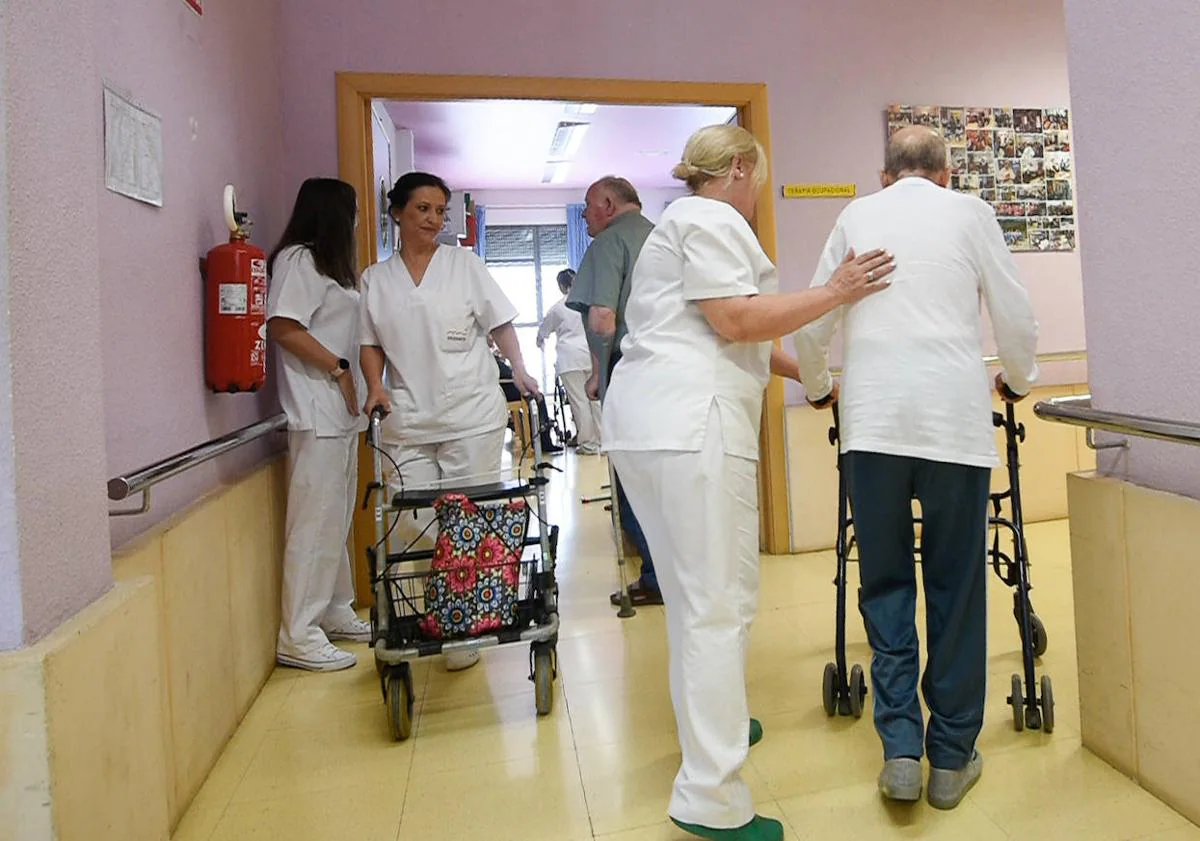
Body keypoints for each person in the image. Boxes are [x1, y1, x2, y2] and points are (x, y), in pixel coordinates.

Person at [603, 124, 894, 841]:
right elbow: (734, 319)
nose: (760, 189)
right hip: (690, 427)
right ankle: (712, 796)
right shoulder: (710, 218)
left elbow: (732, 333)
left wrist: (816, 376)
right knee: (715, 604)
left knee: (698, 597)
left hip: (654, 425)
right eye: (759, 175)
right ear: (739, 167)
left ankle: (719, 723)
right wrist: (835, 290)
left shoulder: (680, 226)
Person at [794, 126, 1039, 810]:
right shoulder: (971, 213)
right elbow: (1015, 314)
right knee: (957, 584)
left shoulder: (856, 215)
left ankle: (900, 747)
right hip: (952, 428)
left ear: (884, 173)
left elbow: (814, 319)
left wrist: (817, 387)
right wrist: (1019, 378)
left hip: (871, 428)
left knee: (886, 581)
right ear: (946, 172)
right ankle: (951, 756)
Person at [359, 171, 538, 672]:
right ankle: (431, 611)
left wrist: (519, 369)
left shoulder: (465, 264)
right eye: (422, 209)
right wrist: (375, 386)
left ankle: (468, 622)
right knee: (413, 522)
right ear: (397, 212)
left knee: (470, 518)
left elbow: (499, 322)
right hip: (408, 419)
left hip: (470, 413)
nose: (434, 219)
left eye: (440, 211)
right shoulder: (376, 279)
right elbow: (369, 343)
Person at [267, 177, 370, 672]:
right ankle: (298, 635)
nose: (355, 222)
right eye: (351, 211)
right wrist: (338, 367)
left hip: (340, 417)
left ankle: (333, 610)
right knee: (313, 525)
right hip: (315, 411)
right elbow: (283, 325)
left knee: (336, 518)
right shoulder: (299, 260)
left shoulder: (331, 268)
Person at [566, 175, 662, 606]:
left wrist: (598, 372)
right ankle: (676, 575)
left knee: (632, 483)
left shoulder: (607, 245)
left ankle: (658, 578)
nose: (585, 215)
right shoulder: (663, 238)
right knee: (666, 481)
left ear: (607, 203)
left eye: (588, 206)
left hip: (629, 375)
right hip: (672, 376)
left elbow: (603, 319)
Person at [537, 268, 602, 454]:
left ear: (561, 286)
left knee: (579, 401)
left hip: (569, 359)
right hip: (591, 355)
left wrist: (540, 342)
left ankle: (588, 444)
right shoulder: (589, 303)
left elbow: (542, 333)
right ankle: (604, 442)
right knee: (596, 400)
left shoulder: (558, 308)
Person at [491, 339, 562, 455]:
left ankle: (541, 435)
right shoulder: (491, 360)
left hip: (509, 388)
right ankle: (544, 440)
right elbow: (509, 375)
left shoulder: (492, 359)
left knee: (538, 397)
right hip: (510, 390)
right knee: (539, 398)